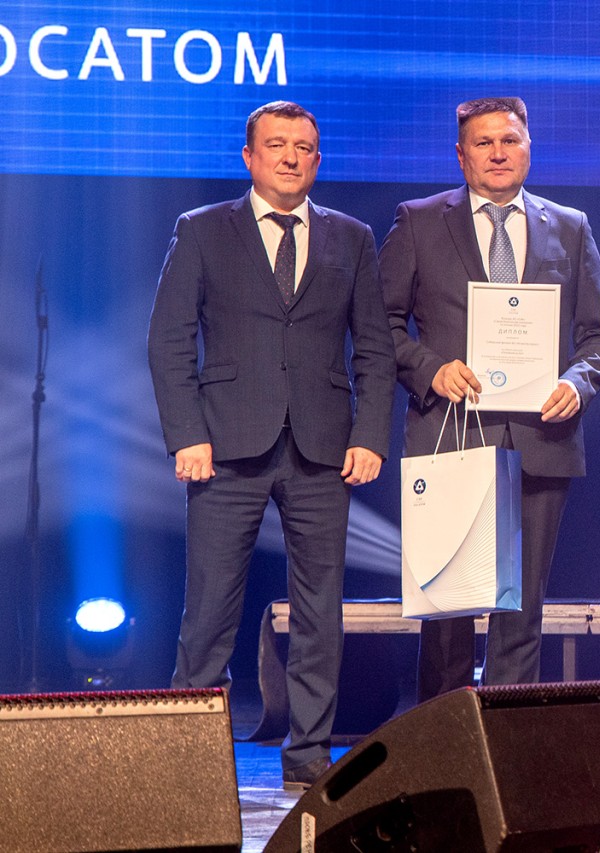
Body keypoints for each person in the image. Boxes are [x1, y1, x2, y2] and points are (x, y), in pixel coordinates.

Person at [147, 101, 396, 791]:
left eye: (304, 147)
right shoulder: (202, 229)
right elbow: (169, 340)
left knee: (320, 612)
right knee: (209, 611)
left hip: (323, 449)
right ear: (249, 156)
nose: (290, 156)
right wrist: (187, 434)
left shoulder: (351, 237)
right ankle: (188, 758)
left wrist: (370, 435)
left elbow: (375, 348)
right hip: (225, 447)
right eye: (277, 144)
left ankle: (309, 754)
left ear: (317, 160)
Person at [380, 97, 600, 699]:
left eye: (509, 140)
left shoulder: (570, 226)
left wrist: (577, 383)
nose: (497, 153)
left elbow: (599, 337)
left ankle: (505, 734)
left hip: (540, 439)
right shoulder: (418, 221)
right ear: (461, 156)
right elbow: (379, 326)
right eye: (483, 143)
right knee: (447, 609)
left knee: (522, 610)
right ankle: (446, 735)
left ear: (528, 149)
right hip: (450, 434)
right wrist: (431, 370)